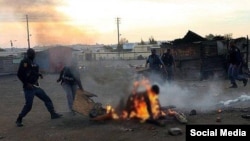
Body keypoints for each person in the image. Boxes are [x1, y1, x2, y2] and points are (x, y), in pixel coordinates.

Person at [16, 48, 62, 127]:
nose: (33, 55)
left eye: (33, 53)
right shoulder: (25, 62)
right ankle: (19, 119)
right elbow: (19, 74)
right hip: (29, 87)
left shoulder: (33, 63)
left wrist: (39, 74)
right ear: (28, 54)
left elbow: (33, 72)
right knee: (29, 105)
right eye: (31, 53)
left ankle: (53, 114)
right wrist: (26, 83)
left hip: (35, 86)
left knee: (47, 99)